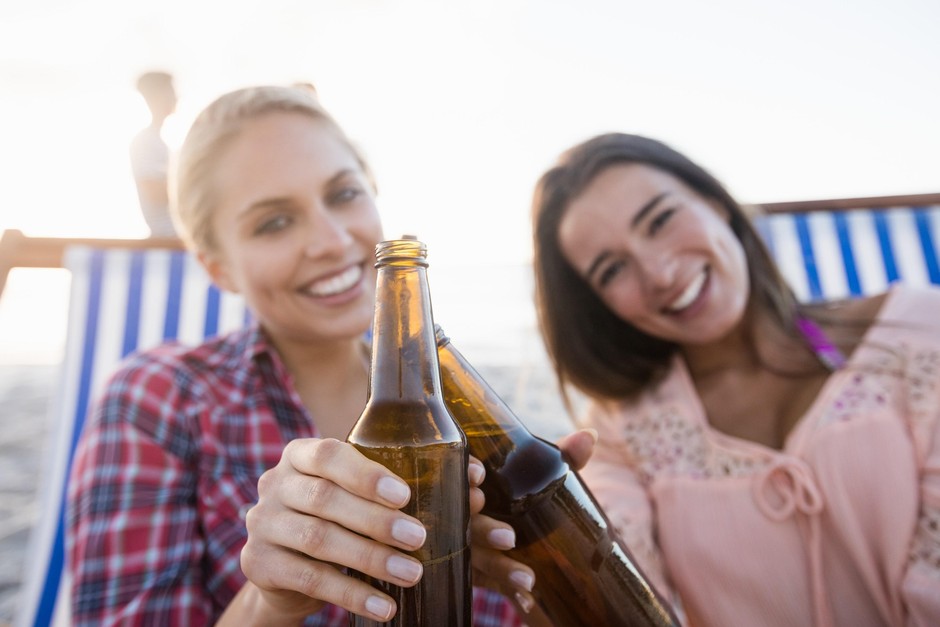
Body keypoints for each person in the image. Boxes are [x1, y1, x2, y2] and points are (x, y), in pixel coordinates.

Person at [67, 85, 543, 626]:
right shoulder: (162, 396)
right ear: (218, 268)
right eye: (274, 222)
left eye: (343, 194)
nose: (332, 240)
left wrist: (548, 555)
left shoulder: (455, 399)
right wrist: (268, 601)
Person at [530, 133, 940, 627]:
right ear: (598, 304)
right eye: (612, 269)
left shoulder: (920, 330)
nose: (659, 274)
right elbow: (623, 610)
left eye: (660, 220)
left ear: (714, 201)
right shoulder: (618, 431)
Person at [129, 70, 178, 238]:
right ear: (157, 96)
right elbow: (154, 193)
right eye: (171, 91)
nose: (176, 97)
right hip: (167, 238)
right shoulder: (145, 142)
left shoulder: (158, 141)